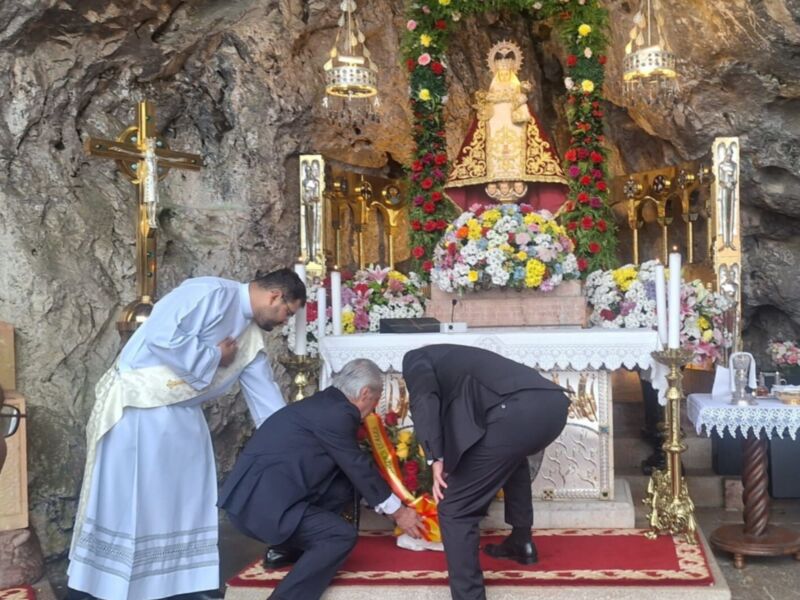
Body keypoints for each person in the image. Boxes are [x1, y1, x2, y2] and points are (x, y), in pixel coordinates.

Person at [67, 268, 306, 600]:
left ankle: (178, 587)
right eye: (287, 312)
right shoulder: (208, 293)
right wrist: (214, 356)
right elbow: (159, 334)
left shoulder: (251, 335)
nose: (285, 321)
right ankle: (111, 587)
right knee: (135, 501)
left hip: (183, 417)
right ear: (275, 296)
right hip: (139, 410)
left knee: (186, 499)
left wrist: (297, 445)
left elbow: (265, 399)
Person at [219, 358, 424, 600]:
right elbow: (356, 465)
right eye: (375, 401)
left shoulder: (325, 403)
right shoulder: (338, 414)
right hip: (261, 507)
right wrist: (398, 512)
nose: (373, 408)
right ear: (364, 393)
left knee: (342, 484)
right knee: (339, 535)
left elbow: (350, 471)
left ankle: (290, 547)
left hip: (254, 496)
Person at [402, 344, 570, 600]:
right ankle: (522, 541)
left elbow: (425, 398)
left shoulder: (415, 357)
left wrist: (435, 456)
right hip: (554, 405)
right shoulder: (460, 356)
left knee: (455, 509)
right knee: (512, 458)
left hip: (514, 412)